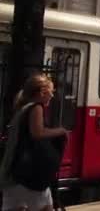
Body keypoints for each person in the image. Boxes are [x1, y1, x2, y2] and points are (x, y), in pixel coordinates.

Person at [0, 74, 67, 211]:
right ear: (42, 93)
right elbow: (38, 133)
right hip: (28, 178)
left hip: (14, 175)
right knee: (46, 207)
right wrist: (61, 131)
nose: (53, 96)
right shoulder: (36, 107)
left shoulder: (22, 108)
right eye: (51, 92)